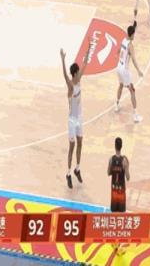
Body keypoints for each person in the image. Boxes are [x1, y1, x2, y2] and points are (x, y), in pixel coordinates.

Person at [60, 42, 90, 189]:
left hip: (79, 118)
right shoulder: (71, 86)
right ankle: (68, 173)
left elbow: (85, 63)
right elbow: (65, 76)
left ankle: (77, 169)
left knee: (80, 143)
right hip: (72, 120)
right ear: (75, 73)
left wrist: (89, 48)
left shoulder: (79, 80)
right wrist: (62, 59)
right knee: (71, 146)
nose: (80, 73)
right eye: (78, 72)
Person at [114, 22, 143, 123]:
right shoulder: (130, 45)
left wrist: (119, 56)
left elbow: (119, 51)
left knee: (121, 85)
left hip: (118, 67)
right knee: (132, 91)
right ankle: (135, 115)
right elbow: (134, 60)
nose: (134, 36)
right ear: (132, 34)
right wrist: (139, 71)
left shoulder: (123, 40)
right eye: (134, 34)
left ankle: (117, 105)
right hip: (124, 70)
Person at [108, 137, 130, 212]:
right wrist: (128, 166)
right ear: (121, 146)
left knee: (114, 213)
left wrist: (114, 170)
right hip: (121, 192)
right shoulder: (124, 160)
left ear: (115, 146)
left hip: (114, 190)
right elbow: (128, 177)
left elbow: (108, 173)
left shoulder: (111, 159)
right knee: (121, 214)